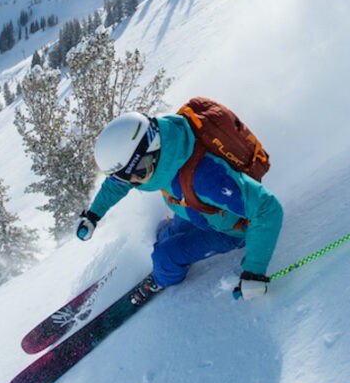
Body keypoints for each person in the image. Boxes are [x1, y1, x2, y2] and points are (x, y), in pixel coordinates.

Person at [76, 110, 283, 304]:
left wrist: (254, 272)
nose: (134, 182)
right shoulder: (166, 140)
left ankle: (161, 279)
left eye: (137, 175)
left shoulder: (206, 178)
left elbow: (268, 209)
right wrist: (93, 215)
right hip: (200, 211)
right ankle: (168, 251)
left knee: (166, 256)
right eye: (128, 178)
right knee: (164, 232)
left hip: (232, 231)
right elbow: (118, 183)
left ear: (150, 153)